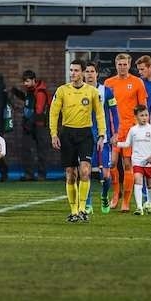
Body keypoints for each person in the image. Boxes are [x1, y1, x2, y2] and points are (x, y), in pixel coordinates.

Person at [50, 59, 105, 223]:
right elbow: (54, 113)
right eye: (71, 70)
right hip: (67, 133)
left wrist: (102, 134)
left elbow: (99, 113)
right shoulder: (62, 91)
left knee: (85, 171)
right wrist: (54, 134)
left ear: (82, 72)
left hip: (85, 134)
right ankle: (73, 211)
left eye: (75, 70)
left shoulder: (92, 92)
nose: (72, 73)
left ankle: (82, 209)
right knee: (71, 175)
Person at [103, 53, 147, 211]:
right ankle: (116, 194)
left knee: (128, 164)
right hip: (115, 130)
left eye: (125, 64)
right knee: (112, 163)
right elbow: (105, 108)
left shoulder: (137, 82)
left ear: (129, 65)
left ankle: (126, 202)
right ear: (116, 65)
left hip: (131, 130)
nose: (122, 67)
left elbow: (143, 107)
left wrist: (142, 128)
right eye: (119, 64)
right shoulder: (108, 83)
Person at [83, 61, 120, 214]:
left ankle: (105, 195)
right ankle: (88, 203)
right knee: (85, 172)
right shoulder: (79, 91)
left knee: (105, 174)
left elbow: (114, 114)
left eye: (92, 71)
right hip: (84, 137)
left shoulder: (107, 91)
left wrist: (116, 133)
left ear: (97, 74)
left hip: (103, 139)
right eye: (87, 71)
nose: (89, 74)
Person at [116, 105, 151, 215]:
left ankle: (149, 203)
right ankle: (139, 207)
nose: (144, 117)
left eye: (146, 115)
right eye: (142, 115)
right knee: (137, 180)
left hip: (150, 162)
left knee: (149, 184)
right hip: (137, 160)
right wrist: (117, 143)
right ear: (136, 117)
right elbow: (128, 143)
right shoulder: (133, 130)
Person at [11, 70, 50, 181]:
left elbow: (39, 111)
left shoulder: (40, 92)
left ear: (34, 80)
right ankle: (29, 174)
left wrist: (29, 122)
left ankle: (41, 174)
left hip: (39, 125)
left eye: (27, 81)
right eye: (24, 82)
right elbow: (28, 100)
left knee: (41, 150)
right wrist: (17, 93)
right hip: (30, 124)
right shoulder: (31, 90)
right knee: (26, 149)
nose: (25, 84)